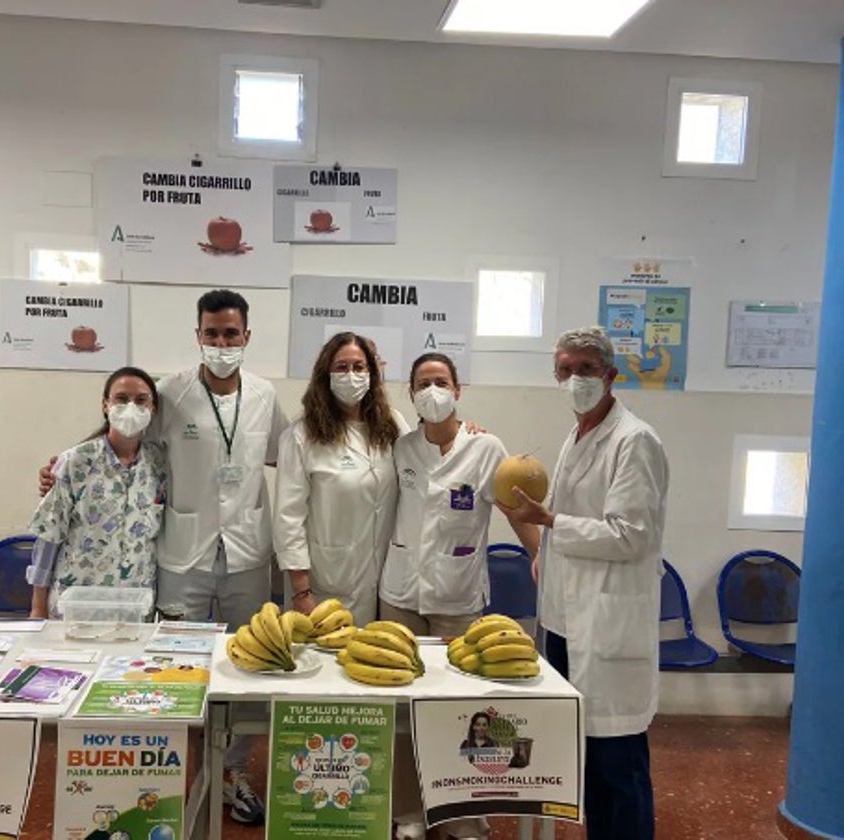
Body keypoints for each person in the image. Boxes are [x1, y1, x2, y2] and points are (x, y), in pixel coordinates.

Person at [37, 289, 286, 825]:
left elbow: (294, 453)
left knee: (249, 667)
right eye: (212, 334)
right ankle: (179, 766)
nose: (222, 343)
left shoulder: (265, 396)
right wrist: (65, 459)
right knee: (176, 668)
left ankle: (232, 771)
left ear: (247, 337)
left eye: (231, 334)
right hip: (183, 555)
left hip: (245, 552)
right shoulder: (171, 391)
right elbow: (124, 420)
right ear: (198, 335)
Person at [499, 326, 669, 840]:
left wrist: (550, 525)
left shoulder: (634, 440)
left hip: (608, 625)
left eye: (587, 369)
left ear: (611, 376)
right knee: (589, 763)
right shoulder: (576, 435)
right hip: (570, 623)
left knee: (621, 767)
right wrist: (545, 556)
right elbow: (580, 521)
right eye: (566, 369)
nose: (576, 379)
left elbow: (631, 536)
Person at [378, 352, 540, 637]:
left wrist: (539, 556)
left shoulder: (485, 447)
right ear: (412, 393)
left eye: (441, 383)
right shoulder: (403, 448)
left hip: (457, 596)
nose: (432, 391)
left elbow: (515, 510)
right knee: (398, 673)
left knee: (457, 677)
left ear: (457, 390)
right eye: (423, 384)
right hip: (401, 593)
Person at [273, 332, 409, 625]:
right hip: (324, 583)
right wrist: (300, 592)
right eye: (341, 367)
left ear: (372, 374)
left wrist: (463, 431)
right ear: (325, 374)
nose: (352, 375)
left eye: (359, 367)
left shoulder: (394, 425)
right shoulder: (301, 436)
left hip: (386, 583)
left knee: (374, 663)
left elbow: (424, 458)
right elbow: (288, 519)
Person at [26, 367, 167, 620]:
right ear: (105, 405)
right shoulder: (76, 462)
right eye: (121, 399)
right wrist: (37, 607)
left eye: (141, 400)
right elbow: (49, 536)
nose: (131, 407)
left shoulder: (159, 465)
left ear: (153, 408)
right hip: (77, 606)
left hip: (134, 609)